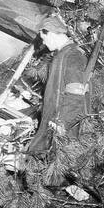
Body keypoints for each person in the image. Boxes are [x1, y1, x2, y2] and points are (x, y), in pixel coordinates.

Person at [26, 14, 91, 157]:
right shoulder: (62, 55)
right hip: (51, 120)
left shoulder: (73, 56)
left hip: (61, 126)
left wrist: (63, 123)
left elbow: (76, 93)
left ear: (51, 32)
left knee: (48, 165)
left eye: (44, 38)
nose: (44, 43)